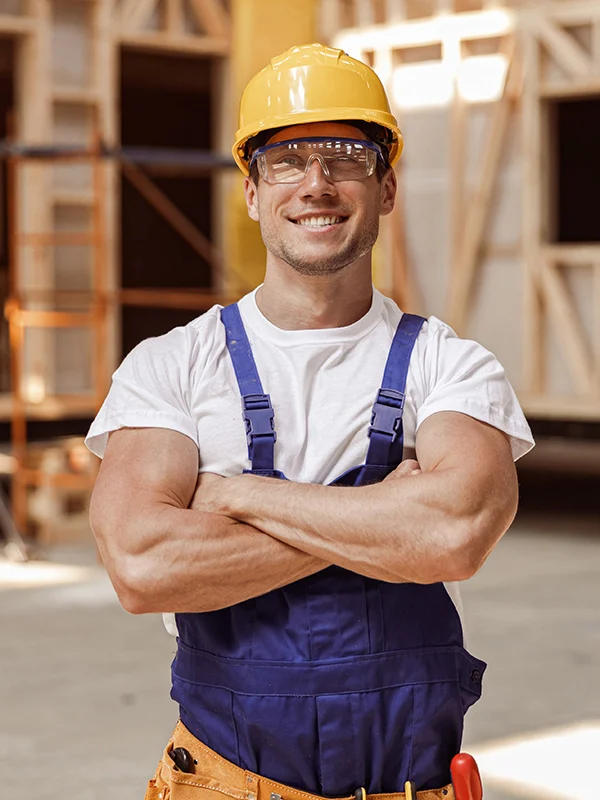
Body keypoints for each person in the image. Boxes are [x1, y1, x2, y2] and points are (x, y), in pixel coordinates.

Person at [86, 43, 534, 800]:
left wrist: (234, 496)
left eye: (346, 158)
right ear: (253, 192)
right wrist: (386, 522)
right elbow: (141, 566)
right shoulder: (172, 366)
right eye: (286, 161)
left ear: (387, 188)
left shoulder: (449, 365)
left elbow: (454, 535)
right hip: (221, 786)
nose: (316, 183)